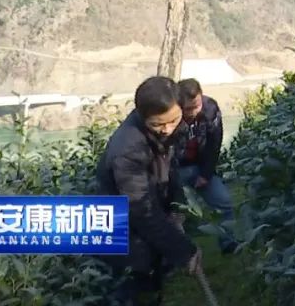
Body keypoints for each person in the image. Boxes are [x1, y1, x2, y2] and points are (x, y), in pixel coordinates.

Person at [96, 76, 201, 306]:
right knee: (134, 290)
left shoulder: (168, 128)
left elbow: (170, 170)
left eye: (173, 120)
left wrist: (177, 206)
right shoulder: (127, 149)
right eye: (158, 124)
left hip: (148, 224)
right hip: (121, 232)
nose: (167, 129)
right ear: (142, 117)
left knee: (155, 283)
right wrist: (183, 250)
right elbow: (141, 211)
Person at [174, 78, 238, 254]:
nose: (194, 111)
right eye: (189, 109)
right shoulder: (170, 116)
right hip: (175, 170)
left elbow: (214, 144)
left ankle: (228, 243)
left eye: (197, 105)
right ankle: (180, 254)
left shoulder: (210, 109)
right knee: (176, 212)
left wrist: (206, 174)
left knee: (224, 202)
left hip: (200, 166)